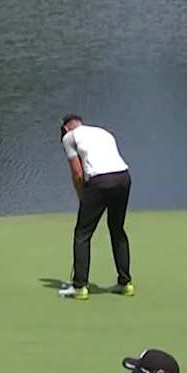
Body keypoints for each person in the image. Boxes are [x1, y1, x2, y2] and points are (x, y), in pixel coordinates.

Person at [58, 114, 132, 300]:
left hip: (100, 181)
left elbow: (77, 172)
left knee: (82, 234)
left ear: (66, 129)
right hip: (123, 177)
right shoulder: (103, 132)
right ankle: (125, 283)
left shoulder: (69, 137)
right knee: (117, 229)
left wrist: (82, 197)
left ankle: (80, 286)